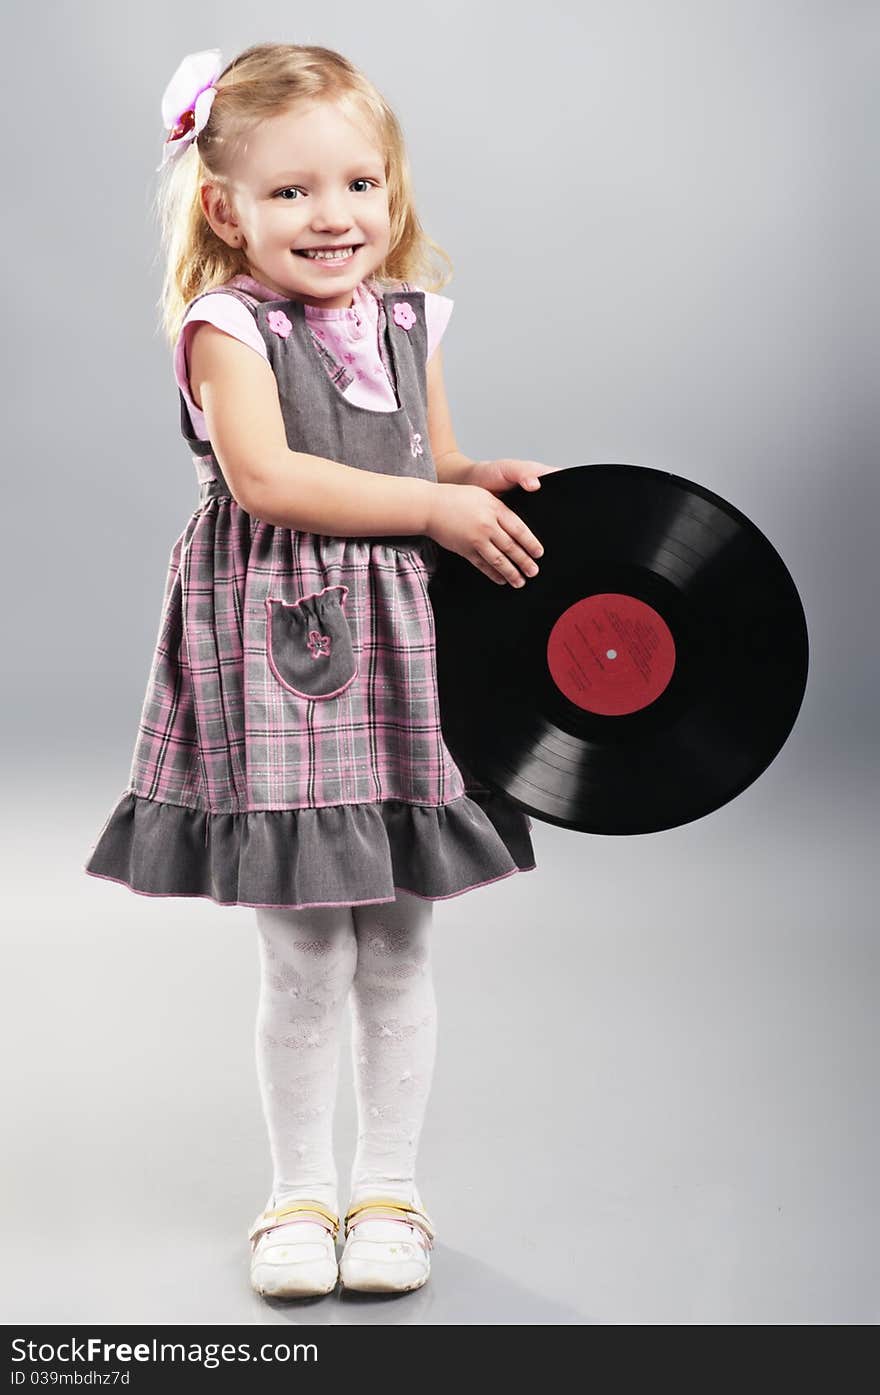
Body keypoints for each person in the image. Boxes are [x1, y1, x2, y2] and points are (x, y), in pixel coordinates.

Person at [84, 41, 555, 1298]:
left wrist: (471, 483)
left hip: (404, 651)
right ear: (224, 206)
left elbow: (424, 458)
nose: (333, 216)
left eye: (359, 182)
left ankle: (389, 1192)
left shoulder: (410, 317)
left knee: (397, 940)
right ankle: (296, 1196)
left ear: (392, 189)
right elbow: (271, 481)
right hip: (285, 646)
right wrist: (430, 513)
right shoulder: (225, 324)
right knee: (303, 951)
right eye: (291, 192)